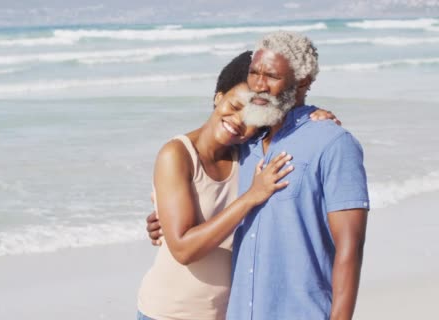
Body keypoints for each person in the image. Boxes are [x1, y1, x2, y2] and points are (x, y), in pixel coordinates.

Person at [146, 32, 369, 320]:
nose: (260, 85)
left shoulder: (333, 143)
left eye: (272, 76)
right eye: (254, 73)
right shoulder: (246, 145)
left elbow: (349, 248)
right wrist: (161, 219)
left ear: (302, 82)